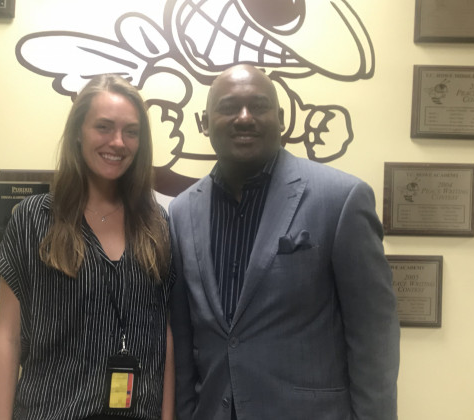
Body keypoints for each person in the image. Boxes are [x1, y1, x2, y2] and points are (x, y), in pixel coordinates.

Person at [168, 64, 400, 419]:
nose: (244, 118)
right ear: (204, 121)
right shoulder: (182, 211)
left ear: (281, 119)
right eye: (228, 107)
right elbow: (184, 343)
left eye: (258, 106)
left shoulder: (341, 199)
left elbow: (374, 338)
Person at [0, 74, 175, 420]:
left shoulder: (157, 225)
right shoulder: (34, 219)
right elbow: (8, 338)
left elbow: (165, 336)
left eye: (130, 131)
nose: (117, 142)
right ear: (78, 132)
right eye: (103, 127)